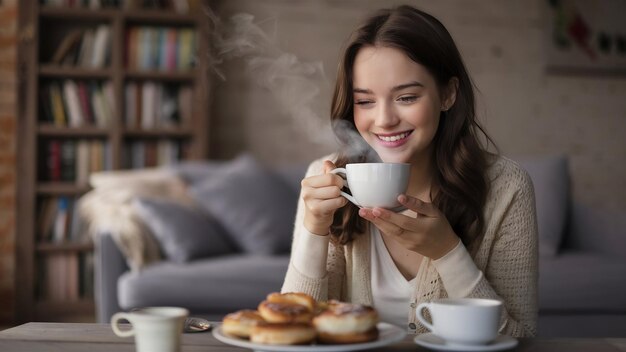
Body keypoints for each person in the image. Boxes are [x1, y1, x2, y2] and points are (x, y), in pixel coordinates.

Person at [281, 5, 538, 337]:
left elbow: (521, 338)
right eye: (365, 101)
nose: (384, 120)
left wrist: (447, 252)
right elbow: (292, 329)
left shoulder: (506, 188)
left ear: (448, 94)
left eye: (406, 97)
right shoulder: (327, 178)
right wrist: (315, 230)